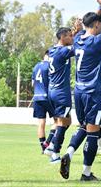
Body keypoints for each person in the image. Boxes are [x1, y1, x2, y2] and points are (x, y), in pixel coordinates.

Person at [59, 0, 101, 181]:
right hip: (93, 93)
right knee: (93, 133)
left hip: (78, 92)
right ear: (96, 26)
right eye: (100, 25)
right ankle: (86, 173)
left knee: (83, 127)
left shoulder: (78, 38)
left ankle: (69, 153)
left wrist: (100, 8)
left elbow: (91, 24)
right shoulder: (96, 42)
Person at [43, 27, 74, 164]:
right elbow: (79, 47)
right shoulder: (62, 51)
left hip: (53, 91)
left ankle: (51, 145)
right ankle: (55, 152)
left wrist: (76, 32)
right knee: (62, 122)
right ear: (62, 37)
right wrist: (81, 32)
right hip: (61, 91)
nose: (72, 38)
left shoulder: (52, 50)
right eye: (70, 36)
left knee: (67, 121)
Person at [31, 51, 56, 153]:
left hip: (37, 98)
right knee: (58, 121)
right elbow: (52, 82)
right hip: (47, 97)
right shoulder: (49, 66)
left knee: (41, 123)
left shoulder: (36, 66)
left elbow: (33, 83)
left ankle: (43, 146)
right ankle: (48, 142)